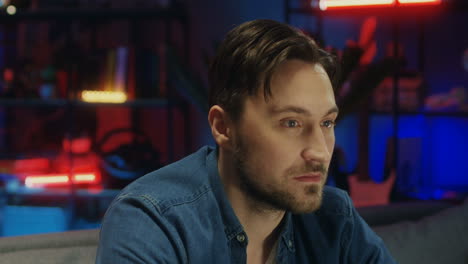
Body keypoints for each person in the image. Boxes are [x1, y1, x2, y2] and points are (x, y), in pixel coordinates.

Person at [96, 19, 397, 264]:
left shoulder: (334, 219)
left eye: (326, 123)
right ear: (223, 127)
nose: (319, 150)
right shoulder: (152, 220)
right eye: (291, 123)